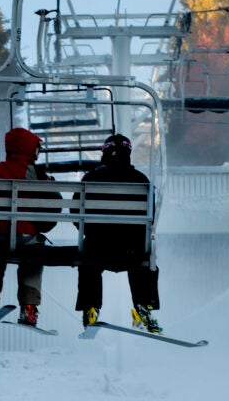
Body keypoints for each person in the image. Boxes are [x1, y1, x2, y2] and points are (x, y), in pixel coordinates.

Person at [73, 134, 162, 333]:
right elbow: (151, 218)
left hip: (98, 247)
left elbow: (75, 213)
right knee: (144, 263)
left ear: (105, 153)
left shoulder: (90, 179)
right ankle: (143, 309)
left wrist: (91, 232)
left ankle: (91, 309)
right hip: (132, 249)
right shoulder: (141, 181)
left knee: (89, 266)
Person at [0, 127, 60, 327]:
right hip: (25, 236)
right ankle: (29, 307)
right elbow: (54, 202)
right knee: (32, 258)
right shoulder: (34, 172)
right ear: (30, 150)